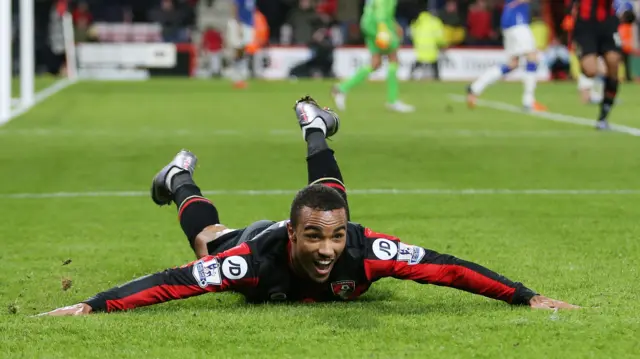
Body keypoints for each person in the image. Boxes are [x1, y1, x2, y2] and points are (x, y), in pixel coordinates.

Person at [38, 96, 578, 316]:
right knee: (207, 242)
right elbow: (174, 281)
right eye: (314, 239)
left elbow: (448, 268)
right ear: (293, 239)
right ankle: (179, 179)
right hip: (254, 233)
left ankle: (313, 124)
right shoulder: (254, 260)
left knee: (330, 200)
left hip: (316, 209)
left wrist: (524, 298)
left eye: (335, 240)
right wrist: (95, 304)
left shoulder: (362, 247)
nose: (327, 251)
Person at [331, 0, 414, 113]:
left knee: (375, 63)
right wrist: (383, 29)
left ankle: (342, 88)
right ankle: (392, 100)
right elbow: (381, 10)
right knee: (393, 58)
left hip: (368, 23)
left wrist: (393, 24)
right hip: (379, 26)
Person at [466, 0, 547, 112]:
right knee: (532, 57)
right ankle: (529, 101)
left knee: (513, 64)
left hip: (509, 20)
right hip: (517, 20)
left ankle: (475, 87)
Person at [567, 0, 634, 129]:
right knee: (590, 70)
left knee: (614, 62)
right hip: (585, 24)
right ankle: (602, 80)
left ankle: (603, 116)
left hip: (608, 23)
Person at [226, 0, 256, 89]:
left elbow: (251, 10)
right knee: (238, 49)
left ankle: (240, 77)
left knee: (244, 49)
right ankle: (236, 77)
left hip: (249, 24)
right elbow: (235, 7)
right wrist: (238, 23)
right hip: (240, 24)